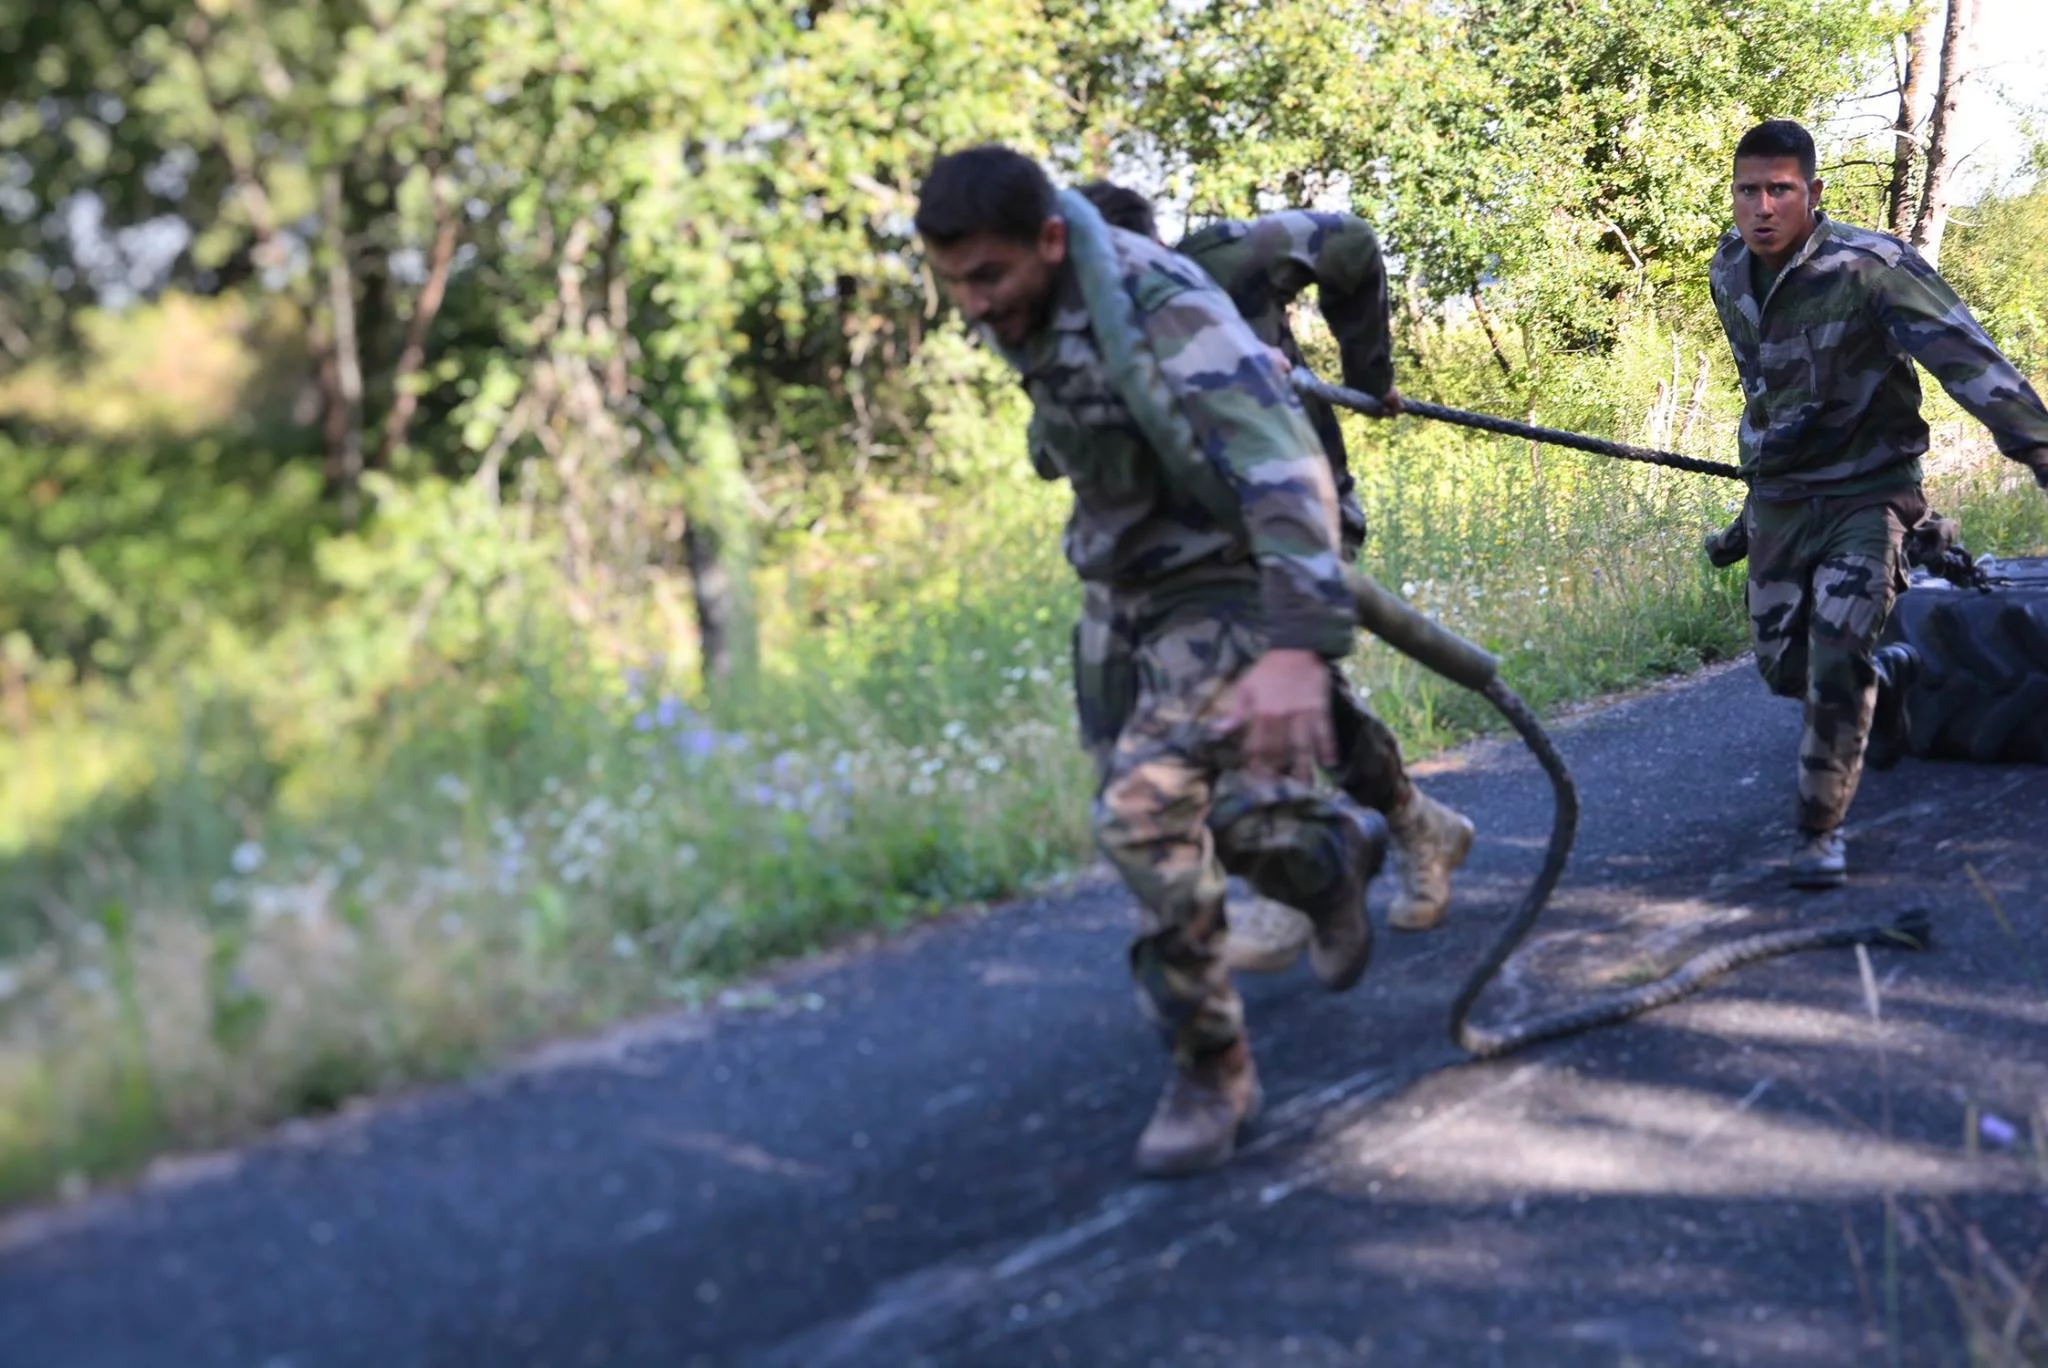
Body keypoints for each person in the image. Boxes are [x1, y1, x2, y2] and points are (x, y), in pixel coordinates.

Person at [914, 143, 1387, 1176]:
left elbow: (1281, 463)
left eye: (986, 277)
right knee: (1190, 823)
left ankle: (1209, 1069)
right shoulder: (1027, 305)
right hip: (1125, 589)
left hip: (1226, 576)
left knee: (1137, 814)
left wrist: (1300, 651)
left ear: (1048, 240)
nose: (973, 306)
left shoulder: (1158, 305)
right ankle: (1327, 851)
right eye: (952, 285)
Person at [1068, 180, 1475, 974]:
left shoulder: (1222, 261)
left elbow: (1351, 242)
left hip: (1300, 512)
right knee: (1268, 697)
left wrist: (1369, 373)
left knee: (1265, 681)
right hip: (1197, 555)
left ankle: (1305, 886)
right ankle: (1412, 825)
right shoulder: (1073, 332)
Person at [1708, 118, 2048, 887]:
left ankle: (1816, 831)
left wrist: (2036, 445)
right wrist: (1756, 495)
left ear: (1813, 193)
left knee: (1834, 656)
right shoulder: (1728, 270)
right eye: (1747, 190)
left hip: (1869, 495)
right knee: (1780, 668)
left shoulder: (1872, 267)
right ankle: (1887, 677)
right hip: (1784, 499)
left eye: (1780, 190)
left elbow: (1966, 356)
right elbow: (1765, 391)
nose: (1762, 207)